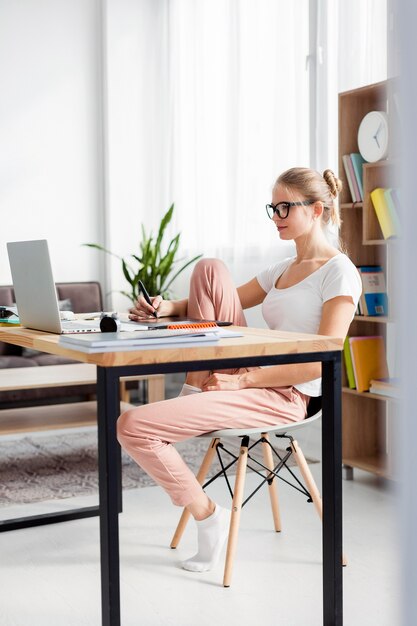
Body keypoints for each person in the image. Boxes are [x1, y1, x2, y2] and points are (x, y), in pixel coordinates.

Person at [117, 167, 362, 574]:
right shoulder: (281, 270)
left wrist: (243, 379)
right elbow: (219, 298)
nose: (276, 215)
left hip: (289, 393)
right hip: (252, 369)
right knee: (210, 268)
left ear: (317, 210)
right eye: (273, 207)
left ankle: (208, 515)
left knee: (132, 425)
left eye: (286, 206)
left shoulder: (339, 272)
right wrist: (165, 308)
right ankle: (195, 385)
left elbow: (324, 356)